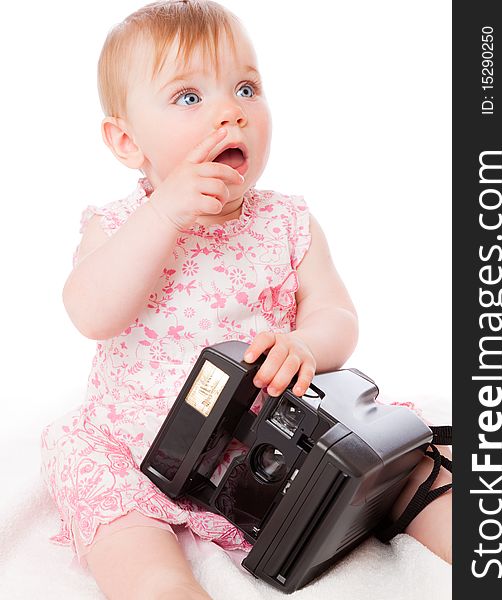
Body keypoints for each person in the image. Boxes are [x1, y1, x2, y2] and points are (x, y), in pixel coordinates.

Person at [40, 1, 452, 598]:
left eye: (246, 88)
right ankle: (164, 587)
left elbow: (336, 314)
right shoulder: (120, 224)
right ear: (128, 142)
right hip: (141, 446)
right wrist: (164, 214)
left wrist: (304, 344)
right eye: (189, 97)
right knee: (122, 526)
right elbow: (90, 312)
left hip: (276, 436)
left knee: (406, 467)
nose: (230, 113)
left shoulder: (287, 220)